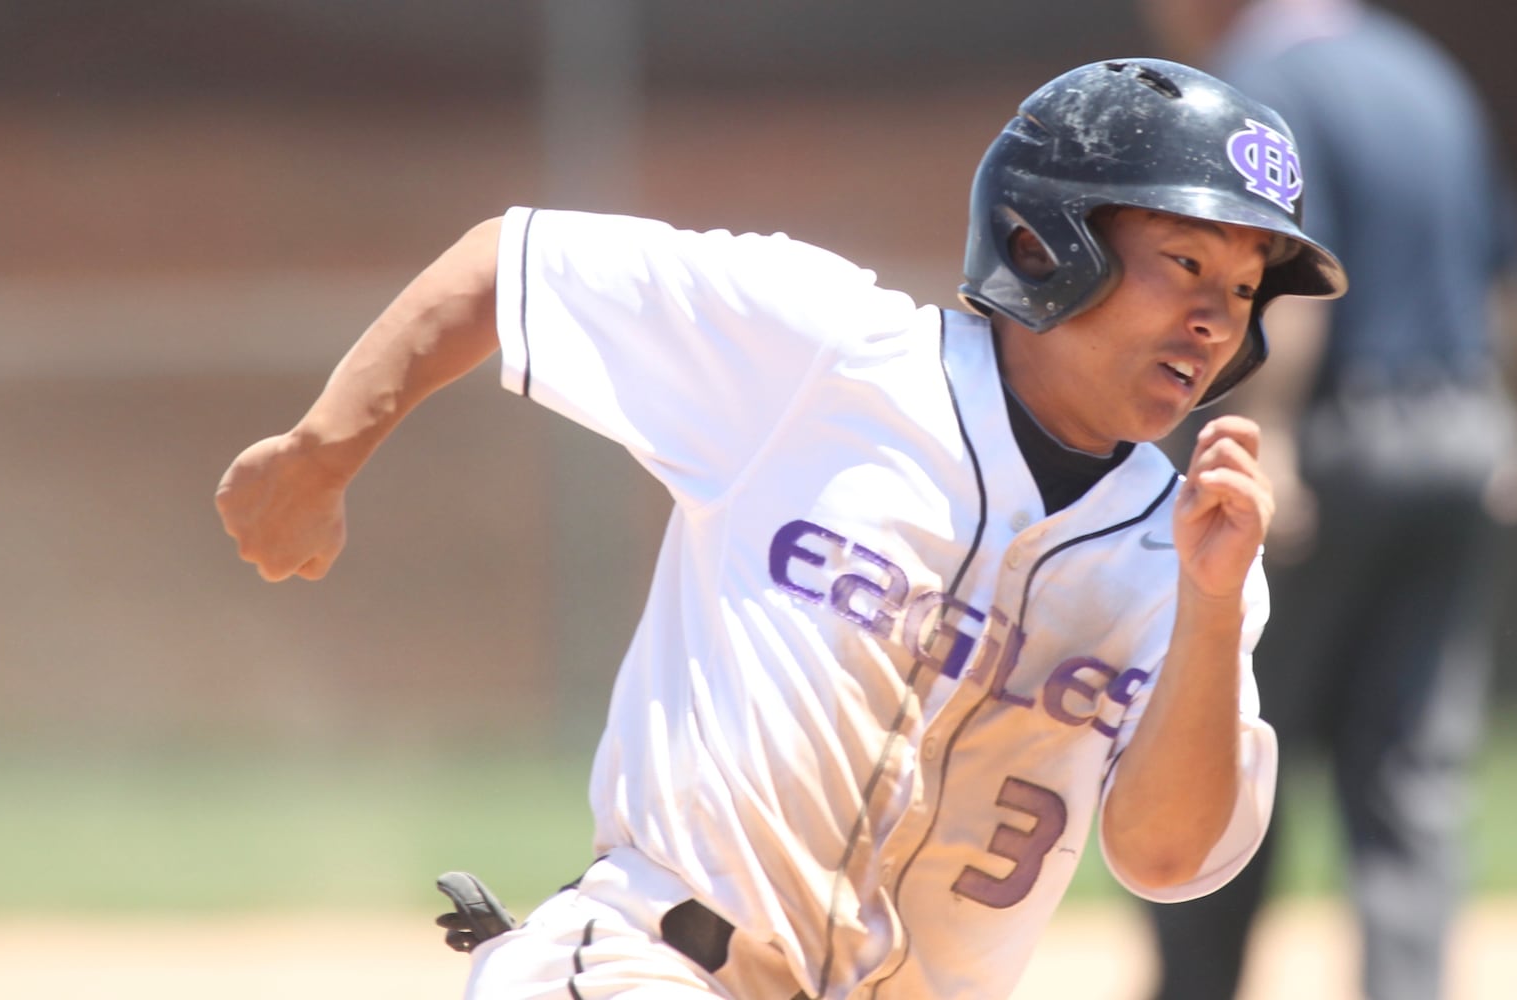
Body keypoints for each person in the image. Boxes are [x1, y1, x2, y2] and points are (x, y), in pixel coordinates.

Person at [214, 58, 1347, 1000]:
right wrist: (320, 453)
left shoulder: (1189, 553)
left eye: (1245, 289)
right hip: (649, 967)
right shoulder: (824, 355)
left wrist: (1205, 608)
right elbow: (508, 266)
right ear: (1050, 241)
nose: (1212, 317)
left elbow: (1163, 856)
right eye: (1185, 262)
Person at [1135, 3, 1517, 999]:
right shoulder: (1424, 72)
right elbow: (1508, 283)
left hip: (1333, 446)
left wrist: (1266, 432)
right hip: (1457, 437)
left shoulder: (1258, 83)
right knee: (1412, 772)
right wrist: (1511, 422)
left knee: (1220, 746)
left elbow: (1283, 276)